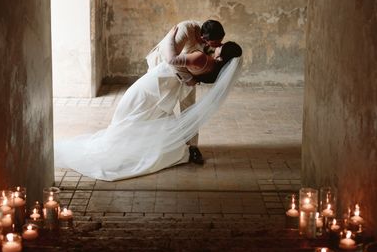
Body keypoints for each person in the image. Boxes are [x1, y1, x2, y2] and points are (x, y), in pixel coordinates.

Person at [54, 41, 243, 182]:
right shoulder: (212, 69)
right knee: (145, 119)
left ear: (222, 53)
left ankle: (123, 150)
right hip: (162, 89)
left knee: (134, 115)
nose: (218, 45)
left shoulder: (202, 58)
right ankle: (145, 149)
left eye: (222, 45)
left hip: (156, 87)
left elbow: (173, 59)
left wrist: (172, 36)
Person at [145, 20, 226, 164]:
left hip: (187, 72)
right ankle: (158, 145)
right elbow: (169, 58)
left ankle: (192, 147)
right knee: (161, 107)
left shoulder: (209, 40)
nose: (217, 46)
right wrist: (189, 78)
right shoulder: (186, 29)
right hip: (164, 70)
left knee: (190, 107)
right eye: (215, 43)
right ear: (205, 38)